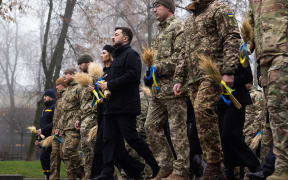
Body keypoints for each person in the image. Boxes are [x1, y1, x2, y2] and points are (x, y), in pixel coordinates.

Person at [173, 0, 241, 179]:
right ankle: (221, 165)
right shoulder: (189, 21)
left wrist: (228, 70)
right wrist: (179, 78)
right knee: (202, 121)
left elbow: (232, 37)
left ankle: (214, 164)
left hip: (213, 73)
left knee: (202, 110)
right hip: (193, 79)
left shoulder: (219, 8)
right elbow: (183, 52)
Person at [96, 27, 159, 180]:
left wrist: (109, 85)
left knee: (132, 139)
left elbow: (132, 76)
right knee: (108, 140)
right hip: (111, 107)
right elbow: (113, 79)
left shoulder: (132, 55)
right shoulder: (116, 58)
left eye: (116, 34)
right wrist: (104, 84)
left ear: (125, 38)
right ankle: (107, 172)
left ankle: (155, 166)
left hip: (126, 107)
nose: (112, 37)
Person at [143, 1, 189, 179]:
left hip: (174, 88)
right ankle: (166, 165)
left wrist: (159, 68)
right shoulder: (160, 31)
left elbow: (181, 57)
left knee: (177, 130)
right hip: (158, 91)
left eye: (158, 6)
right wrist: (150, 73)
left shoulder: (178, 26)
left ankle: (182, 170)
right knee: (150, 126)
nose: (154, 9)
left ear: (168, 8)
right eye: (153, 6)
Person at [246, 1, 288, 179]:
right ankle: (271, 168)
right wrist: (248, 45)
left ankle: (283, 168)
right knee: (271, 117)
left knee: (280, 112)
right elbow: (251, 24)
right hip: (264, 60)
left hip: (282, 53)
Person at [217, 62, 260, 179]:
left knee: (230, 135)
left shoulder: (239, 49)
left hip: (237, 101)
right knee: (223, 139)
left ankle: (254, 164)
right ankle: (229, 171)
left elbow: (248, 77)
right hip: (220, 102)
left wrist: (231, 82)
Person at [58, 68, 84, 180]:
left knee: (69, 150)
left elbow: (83, 105)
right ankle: (72, 177)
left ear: (73, 75)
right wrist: (59, 127)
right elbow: (63, 110)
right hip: (64, 126)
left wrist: (79, 118)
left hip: (73, 125)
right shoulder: (67, 89)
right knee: (65, 155)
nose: (64, 77)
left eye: (66, 74)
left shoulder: (79, 87)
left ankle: (85, 172)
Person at [76, 54, 98, 180]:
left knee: (92, 145)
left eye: (81, 64)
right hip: (84, 116)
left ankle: (97, 173)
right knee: (85, 147)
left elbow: (101, 95)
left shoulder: (95, 76)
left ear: (88, 63)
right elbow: (81, 102)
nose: (79, 66)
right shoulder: (82, 80)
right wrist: (78, 118)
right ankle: (88, 172)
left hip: (93, 116)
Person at [36, 89, 56, 180]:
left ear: (51, 97)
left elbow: (54, 123)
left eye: (46, 96)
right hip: (44, 138)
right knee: (44, 158)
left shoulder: (54, 107)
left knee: (44, 157)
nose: (44, 98)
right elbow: (41, 125)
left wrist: (43, 129)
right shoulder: (44, 109)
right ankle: (48, 176)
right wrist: (38, 138)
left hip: (52, 137)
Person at [50, 77, 67, 180]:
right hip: (55, 133)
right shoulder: (58, 99)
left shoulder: (66, 98)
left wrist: (60, 128)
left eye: (58, 84)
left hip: (64, 132)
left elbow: (66, 115)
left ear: (63, 85)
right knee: (54, 157)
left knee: (66, 156)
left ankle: (83, 175)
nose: (56, 87)